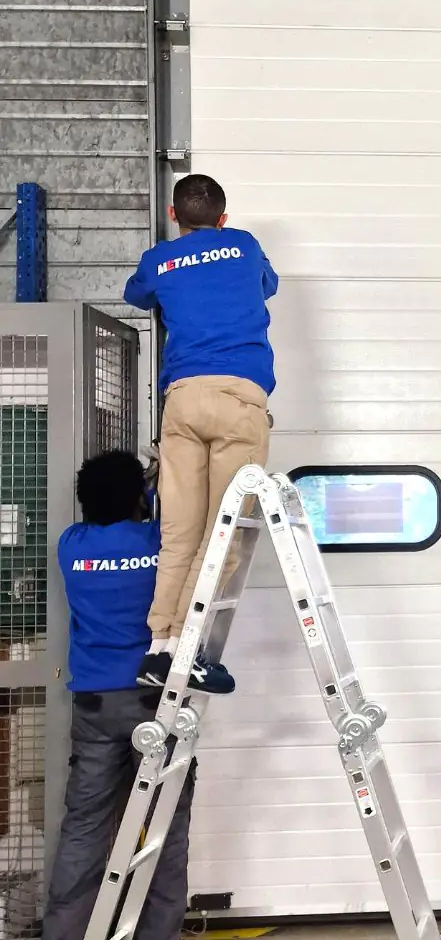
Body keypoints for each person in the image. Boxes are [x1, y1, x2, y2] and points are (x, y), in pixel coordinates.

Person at [123, 173, 278, 692]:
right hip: (238, 400)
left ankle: (159, 649)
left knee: (179, 536)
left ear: (173, 215)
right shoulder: (243, 245)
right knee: (223, 533)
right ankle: (188, 650)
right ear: (223, 218)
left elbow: (137, 294)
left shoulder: (158, 259)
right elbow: (267, 285)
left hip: (183, 401)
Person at [43, 450, 202, 940]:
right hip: (155, 701)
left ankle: (65, 932)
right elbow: (173, 519)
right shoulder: (159, 543)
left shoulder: (71, 545)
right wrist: (159, 481)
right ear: (138, 497)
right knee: (163, 831)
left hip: (93, 705)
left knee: (86, 825)